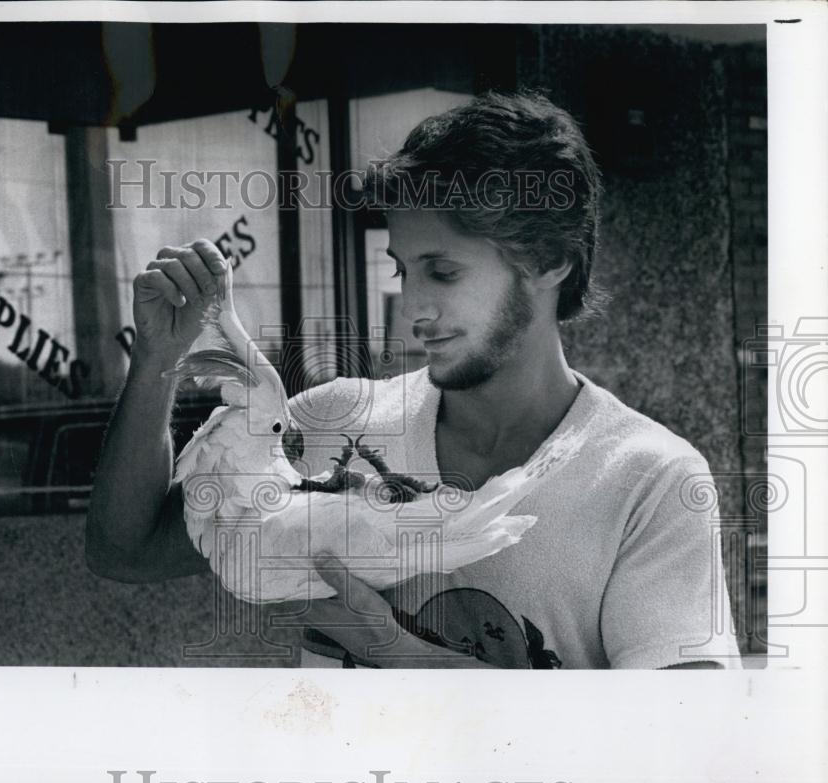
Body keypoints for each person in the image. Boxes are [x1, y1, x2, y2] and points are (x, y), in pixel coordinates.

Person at [85, 90, 741, 670]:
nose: (414, 307)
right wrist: (156, 361)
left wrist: (396, 653)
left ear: (550, 262)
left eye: (444, 272)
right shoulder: (330, 423)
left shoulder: (649, 480)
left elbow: (676, 741)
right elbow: (126, 551)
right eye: (403, 270)